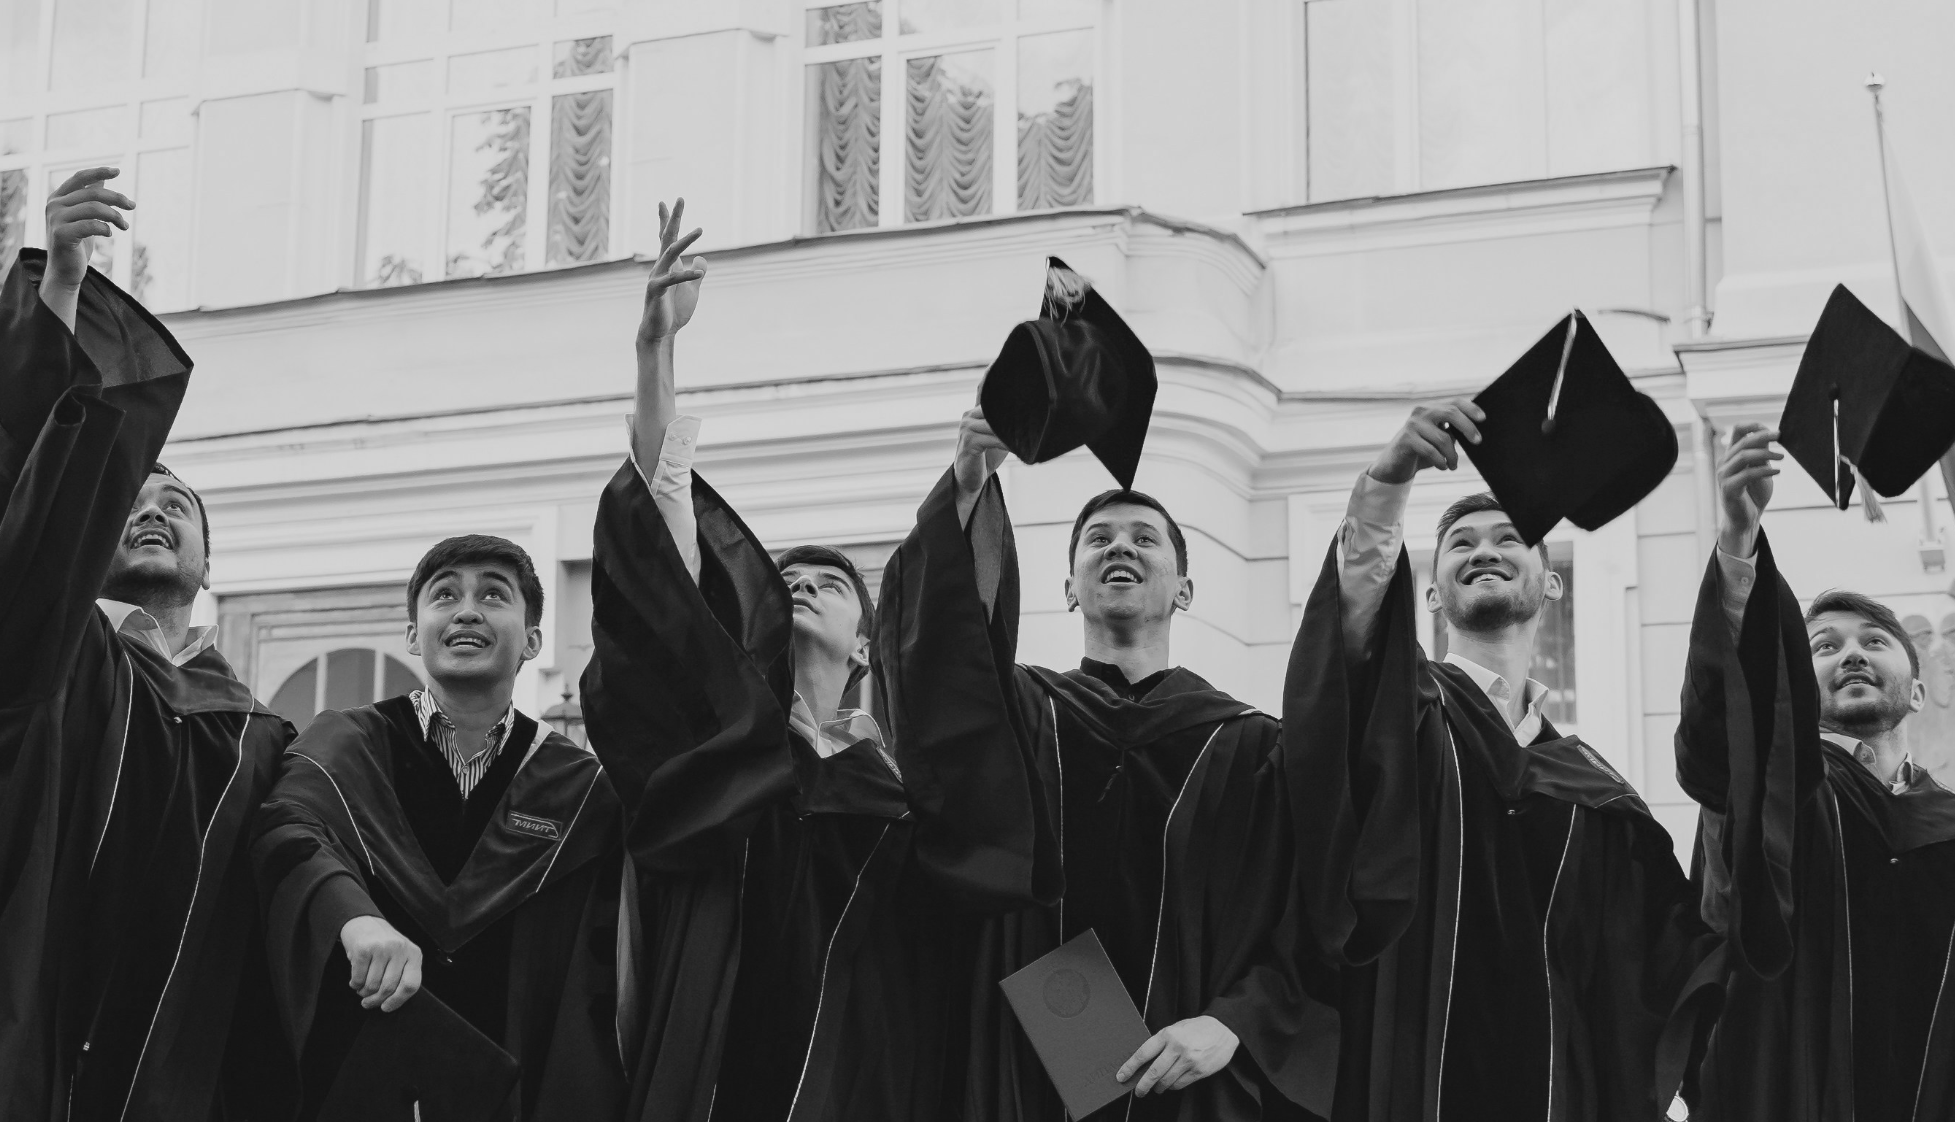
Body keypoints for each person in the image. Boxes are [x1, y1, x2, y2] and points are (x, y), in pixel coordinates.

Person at [586, 203, 1022, 1122]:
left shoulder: (907, 781)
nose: (803, 587)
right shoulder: (729, 752)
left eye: (831, 582)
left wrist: (969, 481)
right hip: (730, 1061)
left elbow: (960, 657)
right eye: (786, 582)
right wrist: (655, 353)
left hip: (880, 1075)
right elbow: (667, 552)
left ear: (869, 641)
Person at [0, 164, 296, 1122]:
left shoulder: (260, 734)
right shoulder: (49, 652)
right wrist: (58, 288)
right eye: (131, 495)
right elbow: (20, 509)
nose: (153, 508)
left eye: (178, 503)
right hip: (28, 1054)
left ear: (208, 561)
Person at [1283, 400, 1719, 1121]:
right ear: (1431, 592)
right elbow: (1345, 649)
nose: (1483, 549)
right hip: (1406, 1077)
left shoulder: (1594, 790)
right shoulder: (1403, 714)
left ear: (1552, 581)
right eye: (1460, 543)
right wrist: (1389, 482)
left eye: (1510, 537)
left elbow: (1655, 961)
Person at [880, 426, 1332, 1119]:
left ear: (1184, 590)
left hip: (1192, 1077)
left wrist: (1235, 1022)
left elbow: (1304, 913)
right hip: (1027, 1063)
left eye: (1145, 538)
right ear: (1069, 588)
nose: (1120, 546)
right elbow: (937, 662)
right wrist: (969, 480)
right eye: (1099, 538)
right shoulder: (1020, 712)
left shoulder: (1251, 747)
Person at [1679, 424, 1955, 1122]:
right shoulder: (1775, 799)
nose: (1852, 654)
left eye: (1875, 640)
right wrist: (1737, 541)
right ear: (1796, 685)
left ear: (1918, 690)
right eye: (1823, 646)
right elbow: (1719, 733)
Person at [248, 533, 622, 1117]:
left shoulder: (579, 789)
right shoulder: (345, 744)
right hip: (354, 1077)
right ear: (412, 635)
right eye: (445, 595)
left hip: (513, 1087)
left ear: (533, 640)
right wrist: (353, 916)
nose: (467, 610)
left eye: (494, 595)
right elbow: (286, 831)